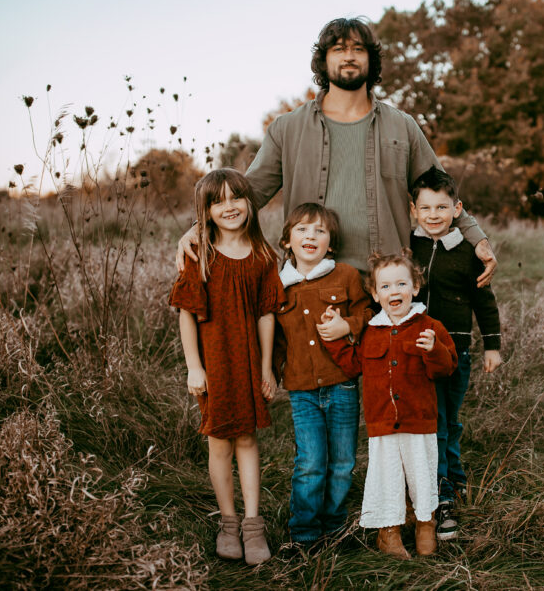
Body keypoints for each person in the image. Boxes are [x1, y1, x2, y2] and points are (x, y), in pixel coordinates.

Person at [177, 17, 497, 286]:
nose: (349, 56)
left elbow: (438, 191)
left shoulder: (403, 126)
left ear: (370, 60)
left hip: (386, 282)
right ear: (323, 59)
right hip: (310, 280)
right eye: (338, 49)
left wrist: (476, 238)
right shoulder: (287, 128)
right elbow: (249, 194)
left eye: (358, 49)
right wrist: (199, 228)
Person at [169, 168, 284, 566]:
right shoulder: (199, 254)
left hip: (249, 359)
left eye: (236, 197)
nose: (229, 206)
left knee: (248, 440)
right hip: (214, 362)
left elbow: (267, 314)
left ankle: (253, 525)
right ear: (206, 211)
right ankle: (228, 522)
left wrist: (267, 368)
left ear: (250, 202)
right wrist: (193, 367)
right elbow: (186, 314)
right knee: (219, 442)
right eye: (218, 201)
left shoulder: (264, 256)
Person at [320, 252, 457, 559]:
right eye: (385, 286)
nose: (394, 291)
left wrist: (434, 350)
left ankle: (425, 523)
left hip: (419, 421)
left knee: (421, 473)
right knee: (388, 475)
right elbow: (353, 365)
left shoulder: (429, 325)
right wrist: (332, 338)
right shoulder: (370, 330)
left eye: (401, 284)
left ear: (415, 287)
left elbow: (446, 368)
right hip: (381, 422)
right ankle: (389, 532)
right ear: (374, 293)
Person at [409, 167, 502, 542]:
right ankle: (435, 484)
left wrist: (492, 345)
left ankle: (447, 491)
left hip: (455, 352)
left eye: (442, 207)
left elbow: (485, 301)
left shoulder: (467, 253)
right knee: (429, 422)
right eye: (426, 207)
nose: (433, 215)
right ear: (413, 210)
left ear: (456, 208)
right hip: (415, 352)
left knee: (447, 421)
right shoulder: (407, 249)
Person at [273, 203, 373, 552]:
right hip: (301, 389)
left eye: (319, 231)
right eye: (302, 229)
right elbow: (274, 340)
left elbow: (367, 311)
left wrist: (348, 325)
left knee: (343, 462)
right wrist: (269, 375)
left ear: (331, 243)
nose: (310, 236)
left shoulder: (344, 275)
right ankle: (304, 534)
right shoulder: (277, 286)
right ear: (287, 241)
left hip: (342, 382)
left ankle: (335, 529)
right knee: (311, 462)